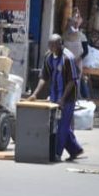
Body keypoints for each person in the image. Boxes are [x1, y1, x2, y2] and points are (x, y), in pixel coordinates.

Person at [29, 34, 84, 162]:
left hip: (68, 97)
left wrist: (63, 99)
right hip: (54, 96)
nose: (52, 47)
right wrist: (35, 94)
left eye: (54, 45)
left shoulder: (67, 58)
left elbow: (72, 81)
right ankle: (75, 149)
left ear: (60, 44)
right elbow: (44, 76)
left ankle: (57, 153)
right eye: (50, 45)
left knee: (63, 126)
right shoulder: (48, 57)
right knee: (58, 124)